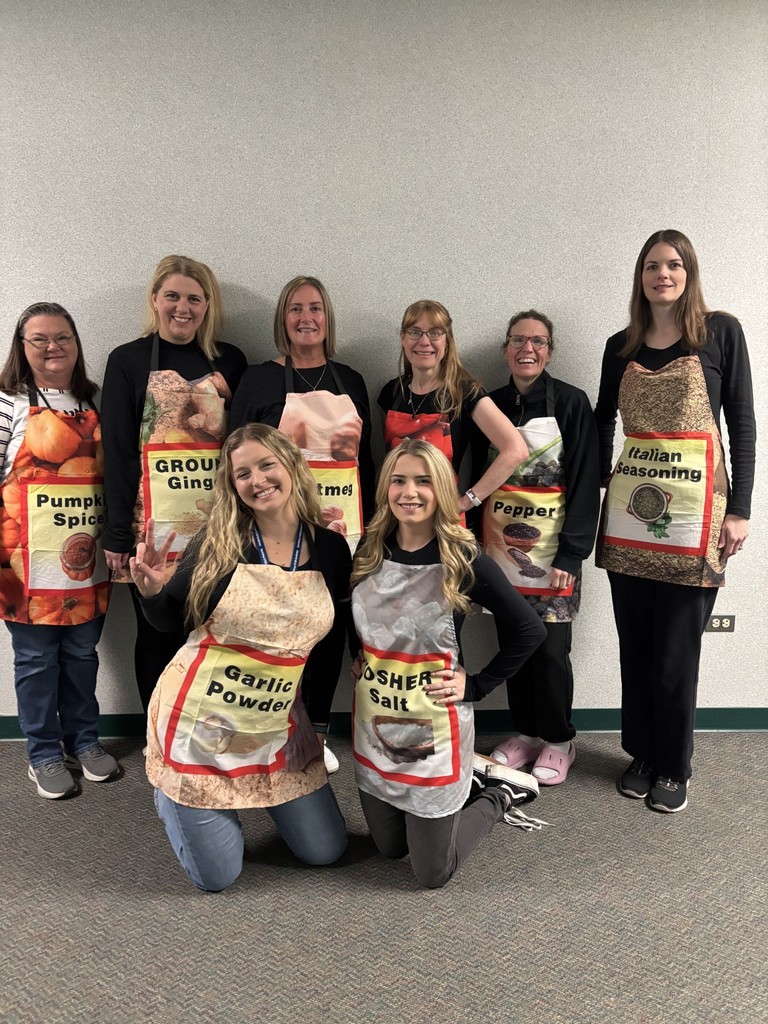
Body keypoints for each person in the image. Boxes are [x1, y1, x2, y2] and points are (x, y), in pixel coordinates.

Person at [130, 424, 350, 891]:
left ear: (290, 465)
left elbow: (330, 645)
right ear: (234, 487)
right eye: (242, 473)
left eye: (266, 464)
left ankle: (243, 794)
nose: (257, 479)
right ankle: (175, 791)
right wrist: (152, 594)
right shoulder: (218, 542)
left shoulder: (330, 547)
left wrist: (323, 726)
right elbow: (170, 623)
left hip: (273, 722)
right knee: (218, 878)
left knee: (325, 851)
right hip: (199, 721)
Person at [594, 230, 756, 813]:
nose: (662, 274)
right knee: (634, 646)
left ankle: (675, 764)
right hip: (633, 519)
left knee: (676, 652)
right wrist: (596, 491)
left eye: (673, 264)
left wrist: (740, 510)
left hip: (698, 520)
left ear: (689, 271)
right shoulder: (620, 345)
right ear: (640, 276)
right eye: (652, 266)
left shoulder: (720, 333)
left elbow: (741, 421)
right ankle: (640, 752)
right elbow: (599, 425)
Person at [350, 440, 547, 888]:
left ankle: (498, 795)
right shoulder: (368, 547)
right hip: (377, 719)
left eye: (424, 481)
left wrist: (476, 686)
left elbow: (529, 631)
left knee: (431, 872)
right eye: (399, 480)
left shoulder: (463, 557)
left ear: (442, 490)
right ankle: (469, 781)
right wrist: (355, 653)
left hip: (435, 727)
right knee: (388, 849)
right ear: (386, 488)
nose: (410, 492)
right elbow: (353, 609)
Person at [229, 276, 374, 774]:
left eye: (315, 308)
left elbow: (366, 462)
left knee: (330, 626)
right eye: (295, 308)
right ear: (282, 319)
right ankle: (275, 725)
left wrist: (375, 527)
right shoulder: (258, 379)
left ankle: (316, 732)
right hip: (278, 526)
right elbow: (238, 457)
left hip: (343, 527)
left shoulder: (350, 379)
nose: (306, 317)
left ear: (327, 317)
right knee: (283, 627)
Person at [101, 255, 246, 714]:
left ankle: (204, 732)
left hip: (217, 528)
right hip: (151, 529)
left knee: (215, 629)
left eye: (194, 298)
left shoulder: (230, 362)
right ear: (155, 300)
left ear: (208, 305)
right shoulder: (127, 360)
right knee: (156, 632)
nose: (182, 308)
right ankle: (157, 737)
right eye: (173, 296)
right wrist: (118, 534)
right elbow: (120, 453)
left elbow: (244, 450)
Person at [472, 310, 600, 785]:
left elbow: (587, 482)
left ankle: (559, 737)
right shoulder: (490, 403)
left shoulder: (570, 401)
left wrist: (572, 553)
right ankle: (525, 733)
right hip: (500, 545)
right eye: (519, 340)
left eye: (539, 341)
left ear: (550, 350)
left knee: (550, 648)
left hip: (553, 549)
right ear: (506, 348)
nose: (529, 349)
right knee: (514, 640)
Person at [0, 303, 119, 798]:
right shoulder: (6, 402)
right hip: (22, 558)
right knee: (34, 660)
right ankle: (43, 752)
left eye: (62, 337)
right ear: (21, 348)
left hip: (84, 553)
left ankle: (84, 741)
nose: (53, 347)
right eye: (40, 339)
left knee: (81, 653)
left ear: (76, 343)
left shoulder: (95, 400)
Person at [378, 299, 528, 516]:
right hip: (397, 517)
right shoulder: (391, 392)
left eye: (435, 333)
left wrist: (467, 501)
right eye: (415, 332)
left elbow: (516, 450)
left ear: (447, 341)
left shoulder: (464, 392)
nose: (424, 341)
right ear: (403, 338)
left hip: (442, 520)